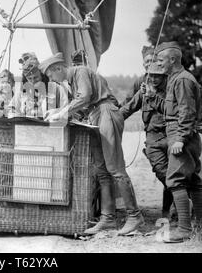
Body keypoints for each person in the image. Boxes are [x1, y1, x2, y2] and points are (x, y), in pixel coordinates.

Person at [39, 52, 144, 236]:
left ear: (58, 68)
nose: (52, 79)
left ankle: (134, 216)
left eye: (50, 75)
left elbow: (85, 97)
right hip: (95, 115)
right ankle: (107, 218)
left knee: (115, 169)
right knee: (102, 171)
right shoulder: (71, 82)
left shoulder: (80, 71)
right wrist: (58, 110)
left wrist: (63, 112)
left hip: (106, 112)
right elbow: (80, 104)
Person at [146, 41, 202, 243]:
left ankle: (185, 229)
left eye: (161, 60)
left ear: (172, 59)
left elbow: (187, 112)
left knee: (176, 180)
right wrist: (152, 97)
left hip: (182, 137)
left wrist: (180, 138)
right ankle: (198, 226)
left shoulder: (183, 80)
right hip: (181, 135)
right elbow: (173, 110)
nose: (159, 64)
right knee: (193, 181)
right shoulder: (175, 79)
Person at [120, 62, 174, 219]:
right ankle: (182, 200)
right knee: (161, 172)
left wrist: (153, 97)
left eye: (158, 76)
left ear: (165, 77)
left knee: (174, 174)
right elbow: (128, 108)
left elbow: (171, 110)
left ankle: (169, 212)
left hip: (170, 136)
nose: (154, 79)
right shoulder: (144, 90)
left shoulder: (171, 90)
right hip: (152, 138)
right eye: (151, 76)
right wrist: (112, 117)